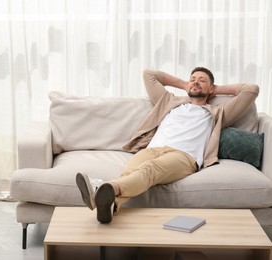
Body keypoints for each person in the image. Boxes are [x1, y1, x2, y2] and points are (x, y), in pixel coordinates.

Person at [76, 67, 259, 224]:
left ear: (210, 89)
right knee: (128, 174)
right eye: (193, 79)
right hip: (152, 150)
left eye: (202, 81)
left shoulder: (218, 112)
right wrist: (184, 84)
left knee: (149, 169)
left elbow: (251, 90)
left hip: (183, 156)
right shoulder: (169, 102)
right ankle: (109, 207)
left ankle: (102, 188)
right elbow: (149, 74)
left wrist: (217, 89)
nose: (195, 82)